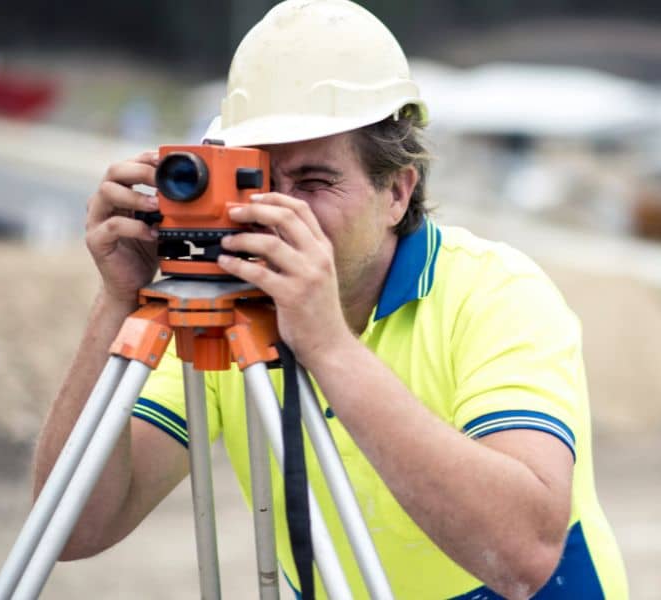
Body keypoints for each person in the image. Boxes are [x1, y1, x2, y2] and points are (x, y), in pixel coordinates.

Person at [33, 1, 628, 598]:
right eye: (256, 180)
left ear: (396, 192)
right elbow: (72, 529)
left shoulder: (496, 293)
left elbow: (522, 555)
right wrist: (119, 301)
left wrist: (327, 346)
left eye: (314, 182)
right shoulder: (223, 313)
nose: (280, 210)